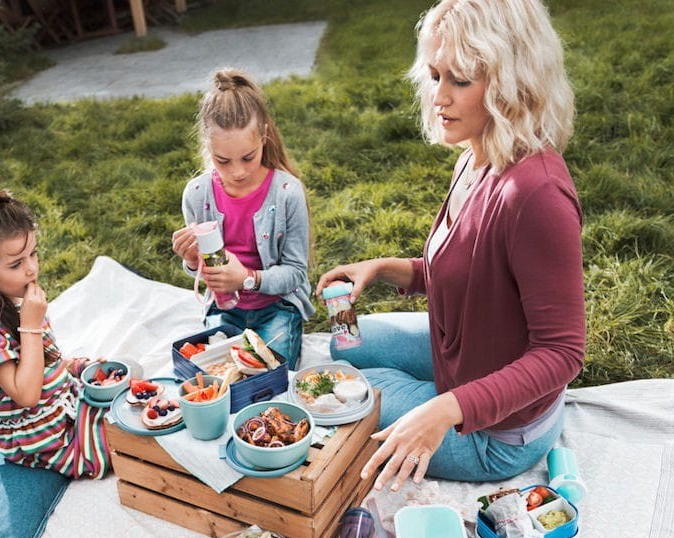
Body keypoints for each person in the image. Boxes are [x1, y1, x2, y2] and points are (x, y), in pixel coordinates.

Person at [316, 0, 585, 491]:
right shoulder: (477, 153)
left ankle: (431, 404)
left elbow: (562, 351)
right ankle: (424, 394)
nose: (438, 97)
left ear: (512, 83)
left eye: (459, 80)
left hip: (498, 434)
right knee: (341, 342)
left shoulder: (537, 194)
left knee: (330, 389)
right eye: (434, 75)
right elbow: (471, 268)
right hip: (462, 359)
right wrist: (381, 268)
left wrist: (445, 409)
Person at [0, 171, 111, 479]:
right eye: (15, 263)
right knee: (127, 441)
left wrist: (74, 366)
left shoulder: (19, 297)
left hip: (64, 411)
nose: (31, 268)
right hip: (41, 443)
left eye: (32, 254)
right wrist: (31, 326)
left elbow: (40, 359)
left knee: (132, 400)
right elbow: (25, 394)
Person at [171, 68, 314, 369]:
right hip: (226, 308)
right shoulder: (197, 195)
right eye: (223, 161)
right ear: (209, 147)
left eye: (248, 157)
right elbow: (202, 273)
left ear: (264, 136)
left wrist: (247, 278)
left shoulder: (287, 193)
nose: (237, 171)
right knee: (214, 372)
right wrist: (192, 261)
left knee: (269, 371)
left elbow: (295, 273)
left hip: (277, 306)